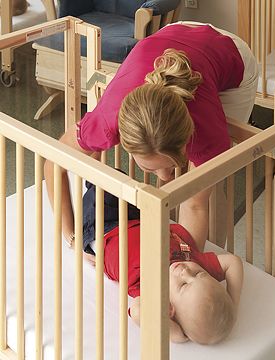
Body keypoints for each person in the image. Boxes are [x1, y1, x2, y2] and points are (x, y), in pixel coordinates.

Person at [44, 21, 257, 255]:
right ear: (122, 138)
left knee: (206, 186)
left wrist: (184, 266)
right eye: (150, 167)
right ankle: (169, 225)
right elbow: (54, 164)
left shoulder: (208, 132)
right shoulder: (106, 122)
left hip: (230, 54)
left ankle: (200, 251)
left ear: (188, 136)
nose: (165, 176)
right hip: (172, 34)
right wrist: (73, 237)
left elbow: (196, 206)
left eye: (169, 165)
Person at [79, 181, 244, 344]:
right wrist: (233, 303)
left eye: (183, 285)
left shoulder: (153, 292)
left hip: (101, 229)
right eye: (198, 274)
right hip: (138, 218)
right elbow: (233, 263)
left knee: (101, 187)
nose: (185, 271)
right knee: (119, 180)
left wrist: (172, 331)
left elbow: (138, 313)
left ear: (169, 308)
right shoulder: (196, 262)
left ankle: (87, 174)